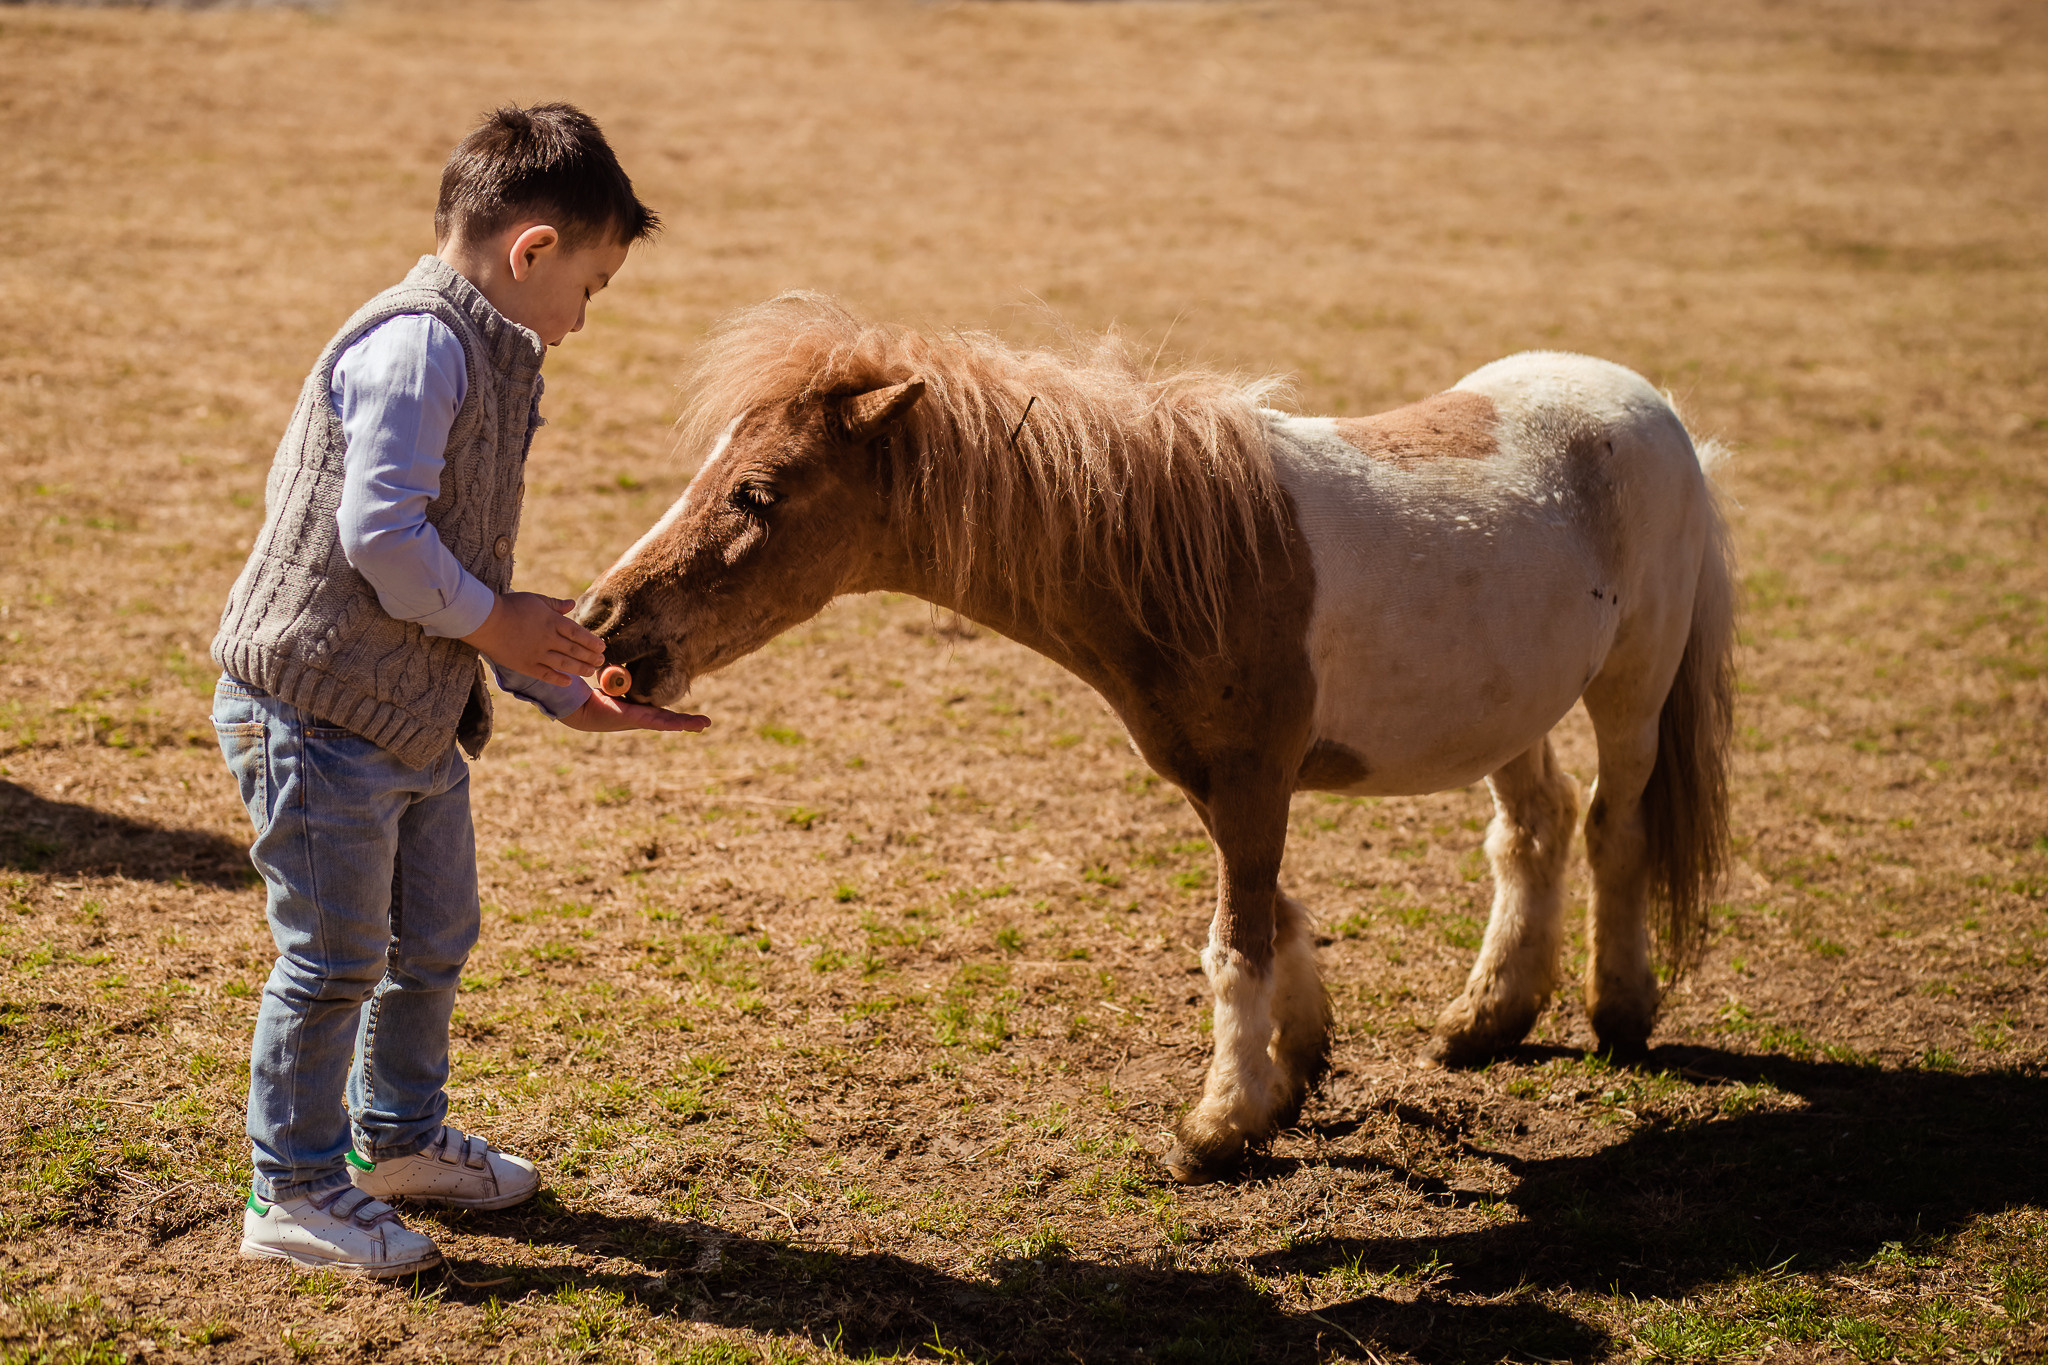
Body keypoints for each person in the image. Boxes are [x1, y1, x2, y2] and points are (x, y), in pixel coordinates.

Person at [209, 103, 704, 1277]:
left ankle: (398, 1141)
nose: (582, 319)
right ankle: (292, 1189)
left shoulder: (493, 351)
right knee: (333, 960)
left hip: (409, 715)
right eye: (589, 287)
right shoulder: (421, 344)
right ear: (532, 250)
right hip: (316, 713)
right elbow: (382, 539)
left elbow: (452, 564)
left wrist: (558, 688)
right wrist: (499, 621)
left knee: (431, 938)